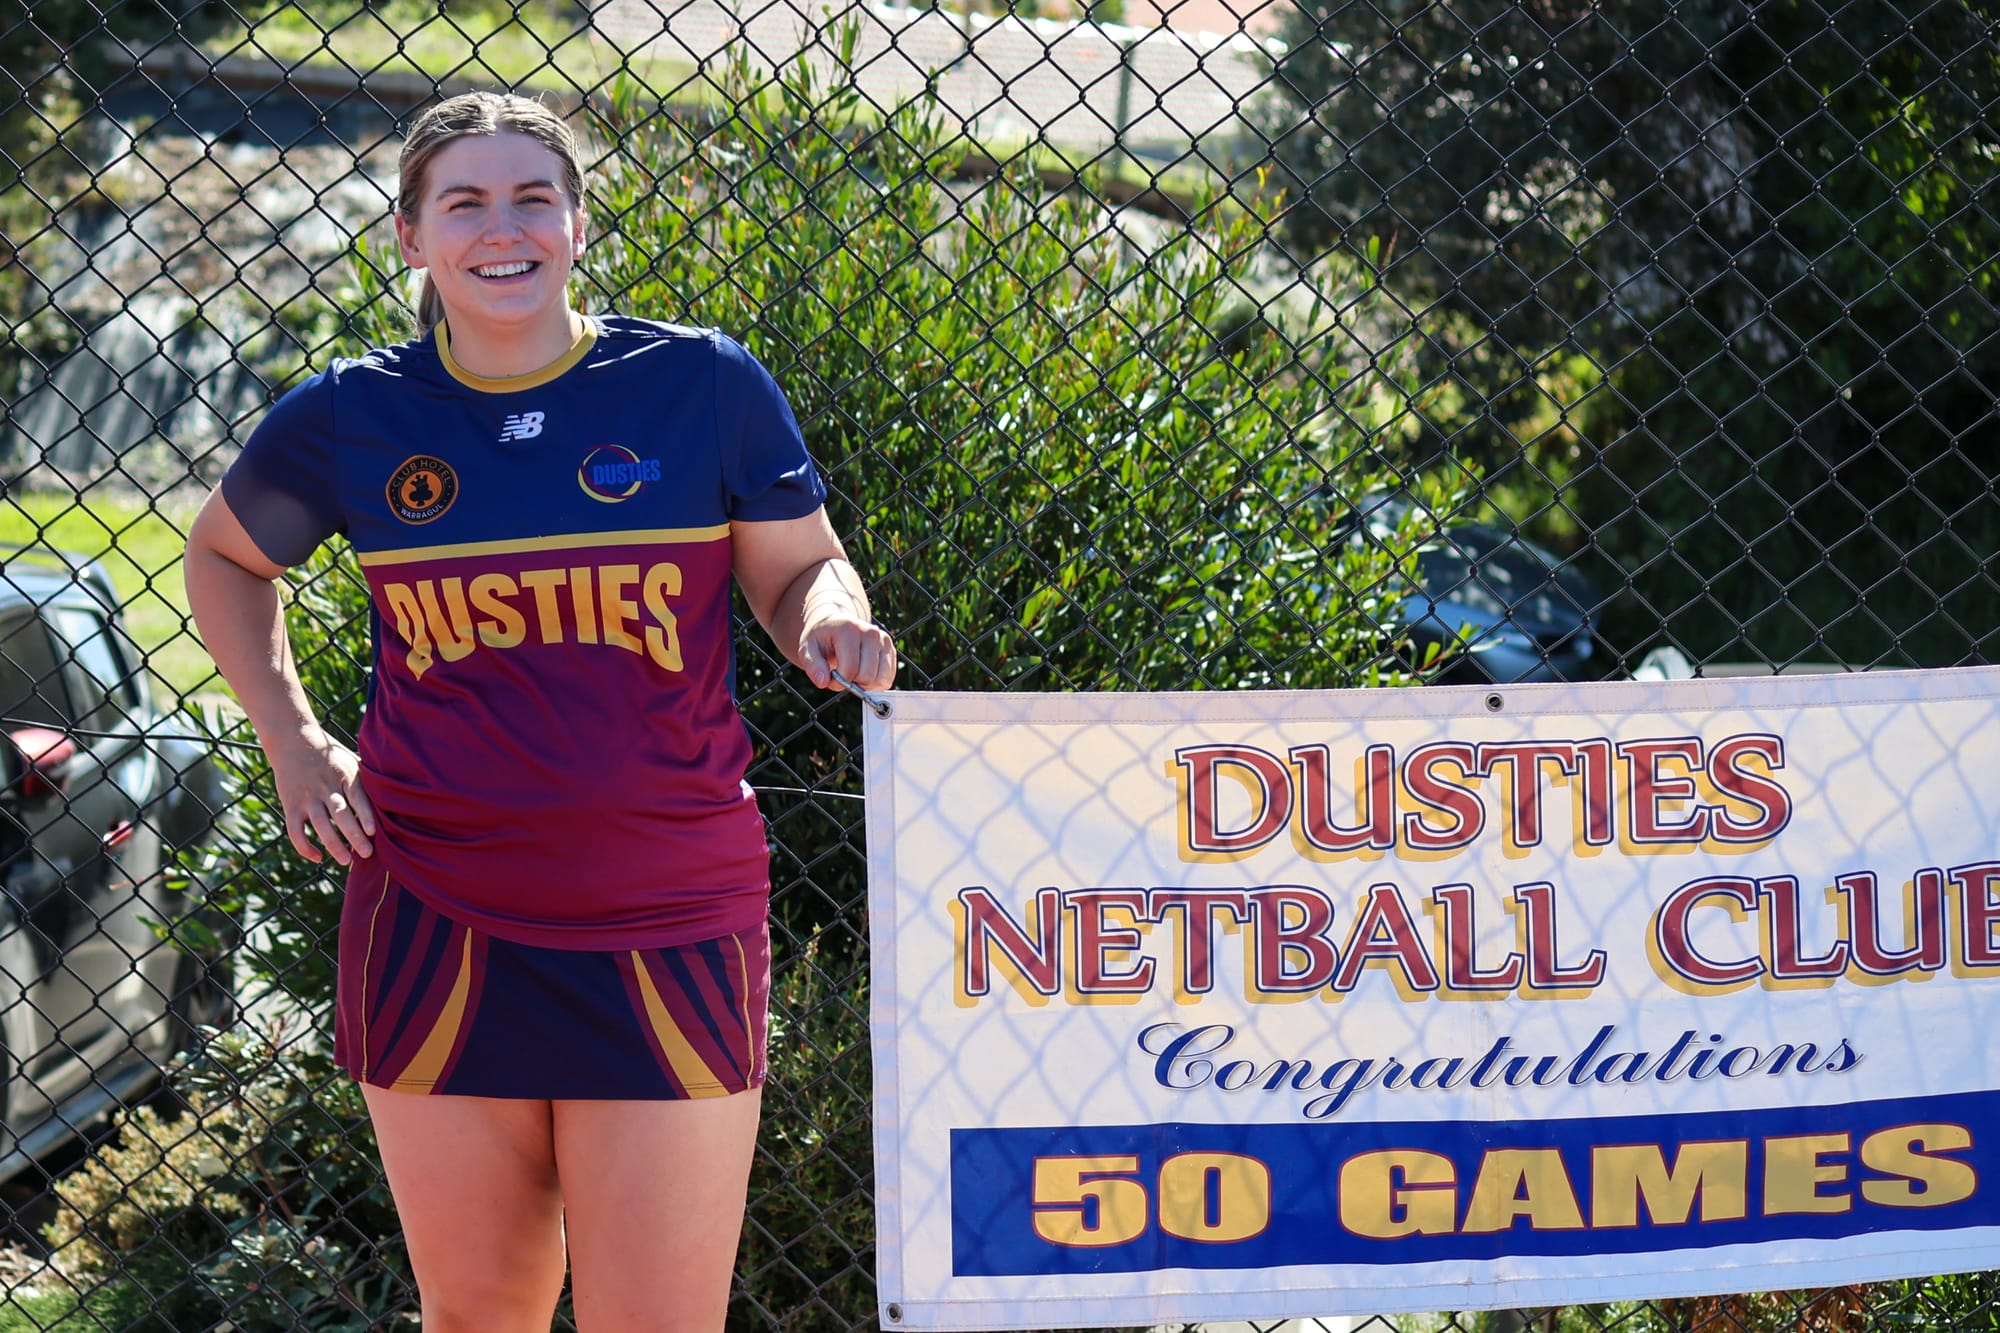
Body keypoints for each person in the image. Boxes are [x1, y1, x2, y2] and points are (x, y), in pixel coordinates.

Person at [183, 90, 897, 1332]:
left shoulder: (698, 384)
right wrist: (292, 738)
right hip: (434, 909)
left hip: (669, 911)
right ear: (411, 237)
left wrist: (828, 618)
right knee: (479, 1311)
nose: (501, 228)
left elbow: (799, 569)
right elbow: (226, 557)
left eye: (532, 197)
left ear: (577, 221)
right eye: (463, 202)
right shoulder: (357, 415)